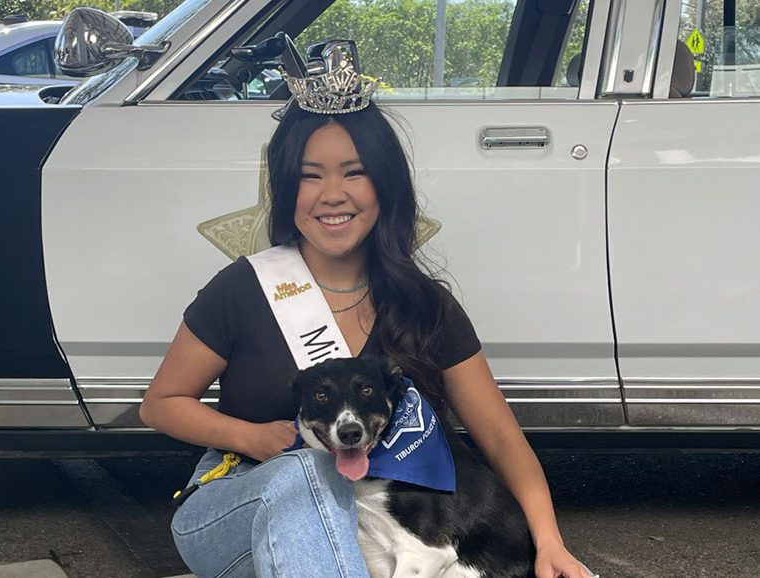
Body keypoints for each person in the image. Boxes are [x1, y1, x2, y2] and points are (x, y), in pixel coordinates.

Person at [141, 44, 592, 578]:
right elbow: (160, 403)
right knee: (309, 470)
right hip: (235, 508)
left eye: (354, 173)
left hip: (365, 532)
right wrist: (251, 437)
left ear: (385, 185)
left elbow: (499, 437)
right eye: (310, 176)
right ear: (286, 190)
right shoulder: (244, 288)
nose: (333, 194)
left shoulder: (425, 307)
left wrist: (549, 542)